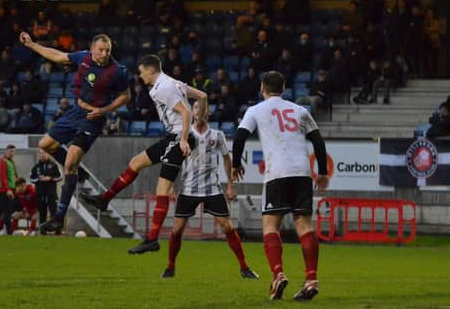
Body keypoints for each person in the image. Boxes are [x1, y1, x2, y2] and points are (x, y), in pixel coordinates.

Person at [81, 55, 207, 254]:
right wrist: (198, 125)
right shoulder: (174, 83)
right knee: (136, 162)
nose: (140, 76)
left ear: (150, 70)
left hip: (177, 138)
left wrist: (185, 137)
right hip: (173, 137)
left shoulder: (163, 87)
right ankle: (104, 199)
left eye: (141, 72)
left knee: (162, 188)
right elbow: (202, 96)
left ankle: (152, 239)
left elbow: (185, 112)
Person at [231, 71, 328, 301]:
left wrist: (235, 165)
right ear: (283, 88)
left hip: (277, 172)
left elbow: (240, 137)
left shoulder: (255, 110)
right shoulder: (300, 110)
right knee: (304, 225)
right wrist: (322, 171)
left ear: (262, 88)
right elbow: (317, 140)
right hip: (302, 171)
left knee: (270, 226)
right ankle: (311, 280)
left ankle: (278, 274)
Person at [20, 32, 130, 235]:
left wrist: (105, 110)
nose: (105, 54)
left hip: (93, 118)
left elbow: (126, 95)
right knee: (45, 145)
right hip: (76, 111)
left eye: (108, 50)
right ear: (92, 47)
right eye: (101, 50)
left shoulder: (117, 71)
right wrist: (32, 45)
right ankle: (77, 174)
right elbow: (57, 55)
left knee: (69, 163)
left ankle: (58, 218)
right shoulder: (84, 57)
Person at [161, 101, 258, 279]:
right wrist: (169, 186)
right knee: (177, 229)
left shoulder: (217, 135)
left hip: (212, 188)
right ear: (192, 112)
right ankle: (170, 267)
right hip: (188, 188)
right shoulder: (185, 134)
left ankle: (244, 267)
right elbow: (173, 161)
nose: (199, 110)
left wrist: (230, 184)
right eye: (196, 107)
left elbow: (227, 159)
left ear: (208, 113)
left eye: (202, 107)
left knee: (227, 226)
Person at [29, 149, 62, 227]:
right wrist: (38, 179)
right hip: (40, 194)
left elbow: (60, 177)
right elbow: (31, 178)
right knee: (42, 214)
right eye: (41, 153)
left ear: (49, 154)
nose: (42, 155)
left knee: (54, 213)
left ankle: (56, 232)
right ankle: (43, 231)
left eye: (44, 153)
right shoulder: (36, 166)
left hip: (51, 194)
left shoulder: (54, 164)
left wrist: (50, 178)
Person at [0, 145, 18, 235]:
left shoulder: (11, 162)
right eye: (10, 151)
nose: (12, 153)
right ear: (6, 151)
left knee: (3, 211)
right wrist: (8, 190)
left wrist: (16, 182)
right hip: (4, 190)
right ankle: (5, 232)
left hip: (10, 189)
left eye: (13, 151)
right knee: (5, 211)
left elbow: (14, 176)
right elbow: (3, 177)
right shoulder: (3, 161)